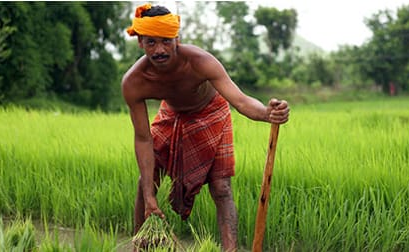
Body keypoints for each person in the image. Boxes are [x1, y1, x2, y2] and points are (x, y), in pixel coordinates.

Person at [122, 4, 289, 251]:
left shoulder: (199, 62)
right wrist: (149, 197)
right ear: (140, 43)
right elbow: (143, 139)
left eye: (166, 42)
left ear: (177, 38)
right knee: (146, 180)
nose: (159, 50)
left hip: (211, 112)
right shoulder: (134, 82)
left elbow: (240, 100)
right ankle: (140, 244)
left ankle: (229, 249)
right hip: (172, 114)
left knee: (221, 187)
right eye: (151, 43)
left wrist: (267, 113)